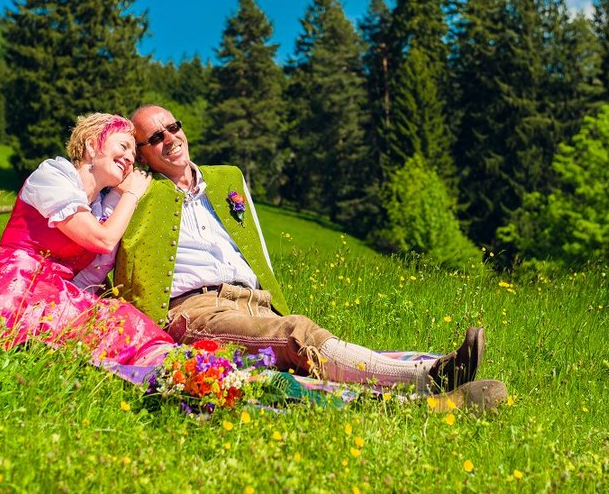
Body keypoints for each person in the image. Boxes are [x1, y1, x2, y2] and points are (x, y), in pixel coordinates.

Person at [114, 105, 485, 393]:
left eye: (173, 127)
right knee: (296, 333)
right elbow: (93, 223)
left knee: (301, 348)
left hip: (253, 300)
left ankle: (418, 385)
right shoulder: (136, 191)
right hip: (196, 310)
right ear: (143, 154)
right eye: (156, 136)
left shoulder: (227, 178)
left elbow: (255, 243)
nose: (170, 138)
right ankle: (429, 376)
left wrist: (269, 300)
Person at [0, 113, 175, 367]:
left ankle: (168, 372)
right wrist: (132, 195)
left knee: (123, 320)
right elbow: (102, 240)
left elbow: (88, 277)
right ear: (93, 145)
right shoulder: (52, 177)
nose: (130, 157)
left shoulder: (99, 208)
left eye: (133, 154)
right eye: (124, 146)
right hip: (15, 279)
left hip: (55, 293)